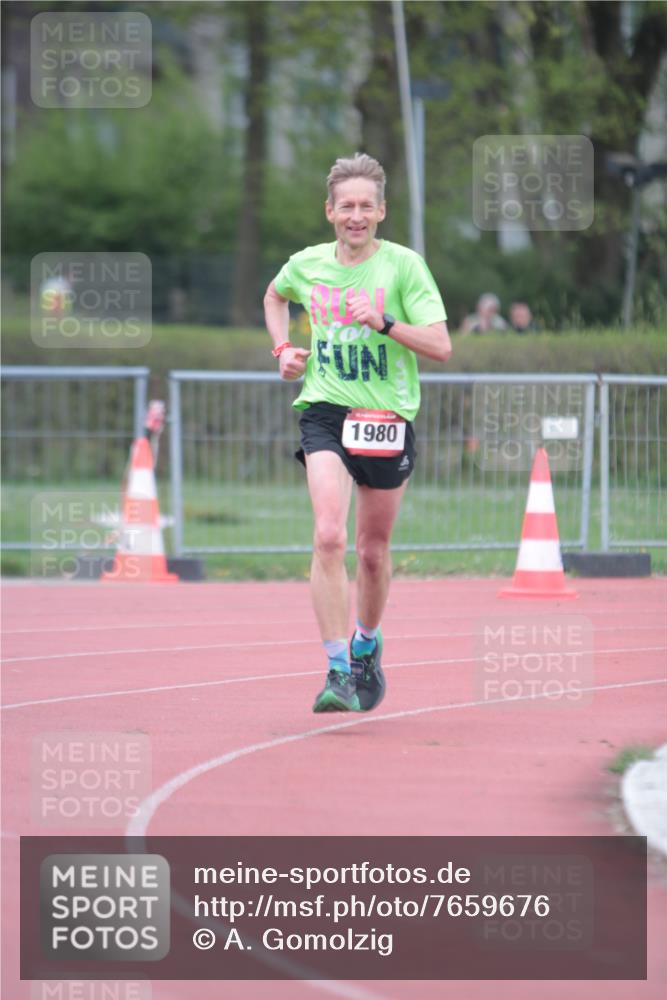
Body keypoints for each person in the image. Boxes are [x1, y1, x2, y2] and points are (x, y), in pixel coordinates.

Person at [264, 153, 451, 714]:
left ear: (381, 211)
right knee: (328, 536)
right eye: (346, 205)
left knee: (372, 552)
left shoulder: (404, 268)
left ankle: (366, 643)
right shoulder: (307, 264)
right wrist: (282, 351)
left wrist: (385, 323)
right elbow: (275, 296)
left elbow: (441, 346)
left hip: (387, 419)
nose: (356, 215)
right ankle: (337, 669)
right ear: (329, 211)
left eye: (366, 206)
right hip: (324, 410)